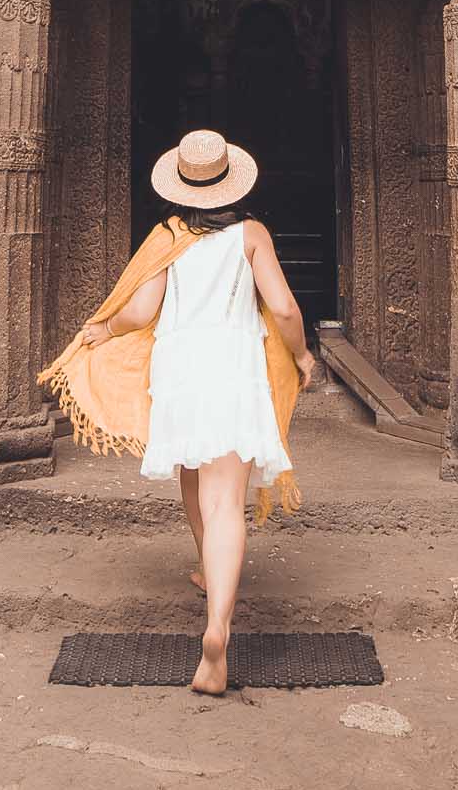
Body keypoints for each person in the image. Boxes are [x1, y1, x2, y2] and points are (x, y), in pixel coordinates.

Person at [41, 128, 313, 697]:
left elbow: (141, 311)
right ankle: (217, 631)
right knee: (225, 500)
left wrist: (103, 329)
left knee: (193, 474)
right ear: (230, 183)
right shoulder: (250, 234)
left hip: (180, 371)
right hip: (234, 368)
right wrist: (303, 353)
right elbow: (284, 307)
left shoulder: (168, 236)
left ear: (182, 187)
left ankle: (205, 567)